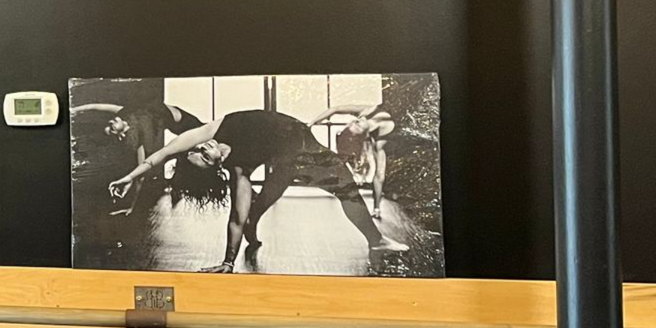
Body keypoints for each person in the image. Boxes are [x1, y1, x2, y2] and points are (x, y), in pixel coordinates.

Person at [109, 108, 408, 273]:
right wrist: (228, 262)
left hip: (295, 141)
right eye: (202, 156)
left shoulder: (211, 131)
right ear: (214, 168)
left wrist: (128, 176)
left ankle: (374, 240)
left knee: (278, 190)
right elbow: (234, 219)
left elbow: (161, 154)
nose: (202, 148)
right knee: (345, 189)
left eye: (197, 150)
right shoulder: (240, 172)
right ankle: (376, 240)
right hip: (300, 153)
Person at [72, 102, 204, 215]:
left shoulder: (125, 114)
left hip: (181, 119)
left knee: (193, 146)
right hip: (181, 125)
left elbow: (100, 107)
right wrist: (132, 206)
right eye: (112, 128)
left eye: (109, 123)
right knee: (183, 155)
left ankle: (179, 185)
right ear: (121, 135)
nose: (111, 121)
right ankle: (179, 187)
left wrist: (76, 109)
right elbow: (141, 174)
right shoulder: (139, 137)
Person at [310, 103, 396, 218]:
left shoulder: (382, 129)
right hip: (373, 133)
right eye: (355, 123)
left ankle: (377, 207)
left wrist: (367, 163)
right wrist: (313, 122)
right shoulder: (364, 112)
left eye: (357, 126)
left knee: (379, 176)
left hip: (389, 137)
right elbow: (335, 108)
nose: (357, 123)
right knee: (356, 155)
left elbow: (374, 157)